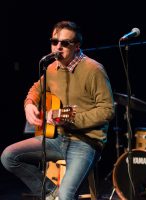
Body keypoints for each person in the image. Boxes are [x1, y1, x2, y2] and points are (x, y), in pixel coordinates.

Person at [1, 21, 115, 200]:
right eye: (54, 42)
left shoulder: (94, 70)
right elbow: (35, 89)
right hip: (57, 138)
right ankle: (50, 191)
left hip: (85, 142)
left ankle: (59, 195)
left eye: (65, 43)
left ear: (77, 46)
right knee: (9, 157)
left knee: (66, 195)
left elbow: (107, 110)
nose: (58, 47)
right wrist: (29, 104)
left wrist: (71, 120)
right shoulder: (52, 68)